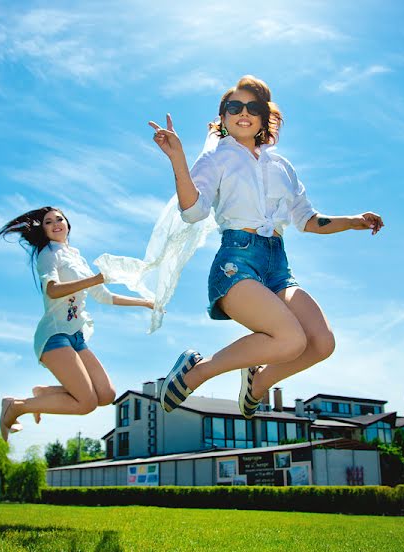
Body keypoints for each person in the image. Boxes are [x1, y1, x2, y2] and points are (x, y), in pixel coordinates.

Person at [147, 75, 384, 419]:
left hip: (277, 267)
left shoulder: (282, 166)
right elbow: (194, 211)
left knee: (322, 343)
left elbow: (307, 220)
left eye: (252, 107)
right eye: (234, 107)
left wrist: (352, 221)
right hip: (236, 262)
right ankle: (196, 371)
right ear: (224, 118)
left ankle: (257, 385)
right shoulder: (215, 159)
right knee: (290, 340)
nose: (243, 112)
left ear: (263, 117)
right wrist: (178, 160)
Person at [0, 206, 153, 441]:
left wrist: (145, 303)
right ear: (44, 230)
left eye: (60, 219)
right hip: (54, 335)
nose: (56, 223)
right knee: (86, 402)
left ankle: (43, 395)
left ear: (68, 224)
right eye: (48, 222)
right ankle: (17, 406)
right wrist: (95, 278)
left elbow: (104, 296)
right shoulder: (48, 254)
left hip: (75, 336)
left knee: (106, 395)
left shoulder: (76, 257)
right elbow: (52, 290)